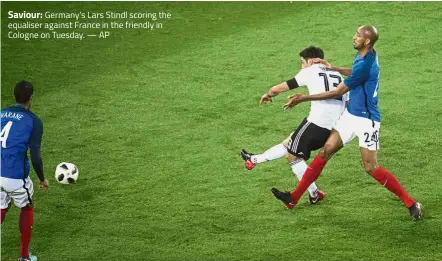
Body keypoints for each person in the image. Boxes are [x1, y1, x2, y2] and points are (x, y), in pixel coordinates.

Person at [271, 25, 423, 221]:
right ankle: (294, 198)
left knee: (371, 167)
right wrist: (332, 67)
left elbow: (338, 92)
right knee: (325, 151)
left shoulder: (366, 64)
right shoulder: (366, 54)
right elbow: (354, 72)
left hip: (367, 120)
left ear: (367, 41)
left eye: (358, 36)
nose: (354, 37)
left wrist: (303, 98)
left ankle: (411, 203)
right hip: (350, 115)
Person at [241, 46, 348, 205]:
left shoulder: (310, 71)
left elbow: (280, 88)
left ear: (311, 61)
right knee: (290, 141)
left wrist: (268, 94)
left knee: (292, 155)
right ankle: (254, 159)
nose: (302, 66)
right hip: (334, 127)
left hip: (317, 123)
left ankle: (314, 193)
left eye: (302, 62)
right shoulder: (338, 74)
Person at [1, 80, 49, 261]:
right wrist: (42, 179)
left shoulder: (1, 113)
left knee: (2, 206)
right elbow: (35, 156)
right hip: (15, 176)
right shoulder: (33, 121)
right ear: (31, 98)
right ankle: (24, 257)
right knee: (27, 206)